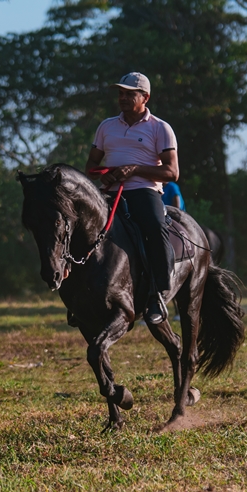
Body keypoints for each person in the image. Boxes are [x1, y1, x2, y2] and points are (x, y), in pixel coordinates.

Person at [85, 72, 177, 325]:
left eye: (129, 94)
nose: (123, 98)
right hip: (109, 192)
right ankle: (80, 295)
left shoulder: (160, 128)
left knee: (155, 227)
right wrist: (101, 174)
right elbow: (91, 164)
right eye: (120, 94)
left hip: (143, 190)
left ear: (145, 97)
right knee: (79, 227)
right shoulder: (106, 126)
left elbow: (172, 172)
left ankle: (158, 294)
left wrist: (135, 169)